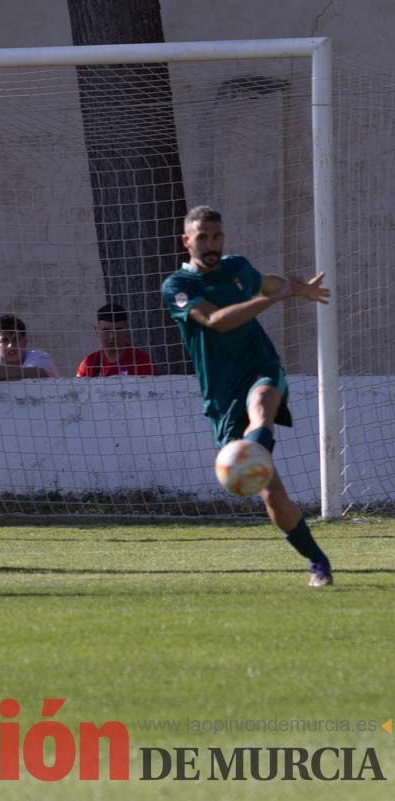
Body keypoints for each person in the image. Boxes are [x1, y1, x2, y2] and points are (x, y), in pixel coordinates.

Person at [161, 205, 333, 587]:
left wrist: (296, 288)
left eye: (216, 236)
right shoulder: (178, 287)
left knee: (262, 406)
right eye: (202, 237)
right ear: (186, 241)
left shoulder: (237, 267)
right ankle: (318, 559)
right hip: (221, 395)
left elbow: (266, 282)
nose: (211, 244)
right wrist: (277, 297)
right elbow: (217, 322)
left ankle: (251, 451)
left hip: (261, 367)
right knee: (272, 494)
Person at [76, 303, 156, 377]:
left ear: (127, 330)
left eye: (118, 330)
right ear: (97, 331)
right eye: (106, 330)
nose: (112, 336)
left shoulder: (142, 363)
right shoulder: (89, 364)